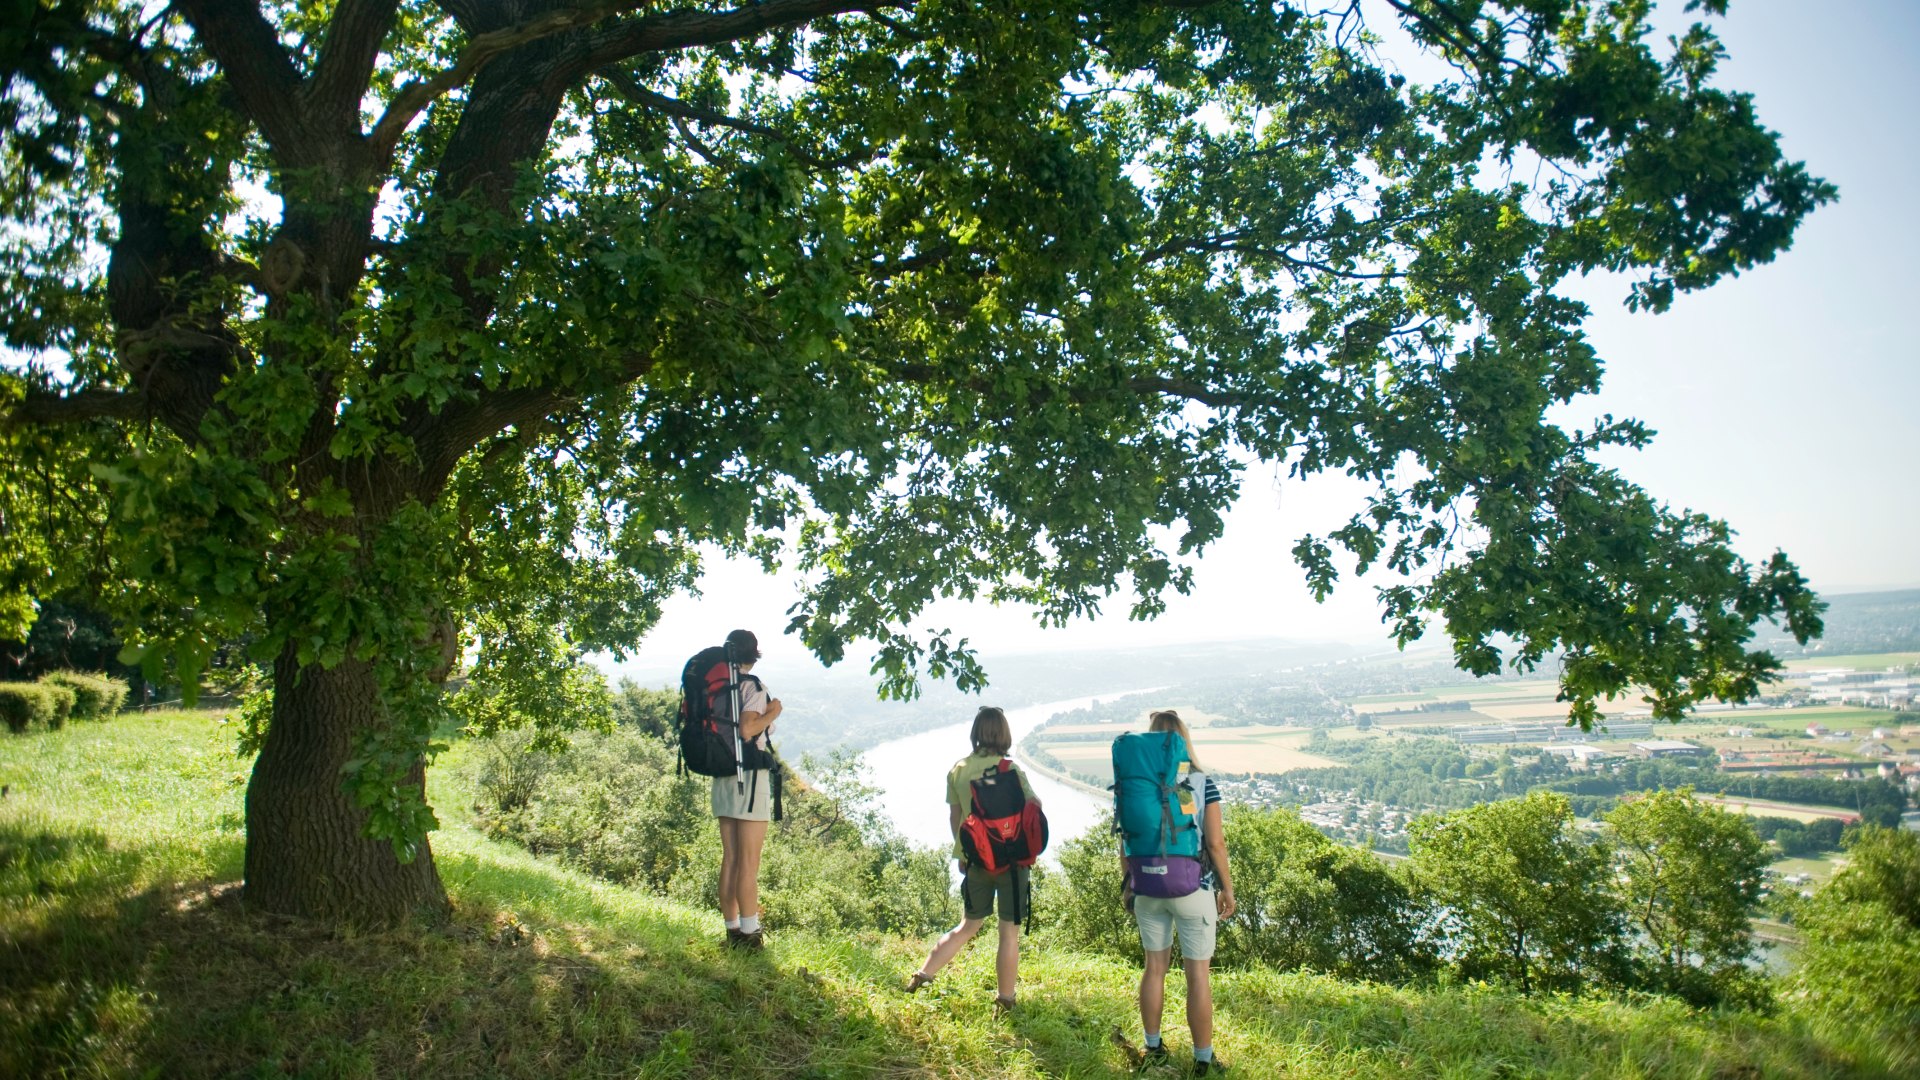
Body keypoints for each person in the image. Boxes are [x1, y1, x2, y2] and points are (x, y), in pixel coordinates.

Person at [905, 706, 1041, 1010]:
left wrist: (964, 852)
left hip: (978, 860)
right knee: (1008, 935)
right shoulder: (1012, 770)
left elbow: (956, 817)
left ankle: (922, 976)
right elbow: (1035, 804)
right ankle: (1005, 1001)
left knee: (968, 925)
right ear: (1003, 733)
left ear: (976, 733)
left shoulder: (958, 770)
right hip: (1013, 862)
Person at [1125, 709, 1235, 1075]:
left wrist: (1129, 883)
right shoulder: (1199, 783)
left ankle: (1152, 1047)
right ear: (1183, 741)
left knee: (1154, 968)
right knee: (1197, 976)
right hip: (1193, 887)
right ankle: (1203, 1059)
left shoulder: (1135, 785)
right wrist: (1227, 888)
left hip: (1147, 887)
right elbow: (1215, 843)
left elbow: (1126, 841)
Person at [711, 629, 782, 950]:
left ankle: (732, 930)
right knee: (749, 862)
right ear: (753, 655)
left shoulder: (717, 689)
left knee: (731, 858)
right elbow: (748, 728)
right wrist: (774, 711)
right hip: (749, 776)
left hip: (722, 774)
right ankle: (751, 935)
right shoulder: (752, 686)